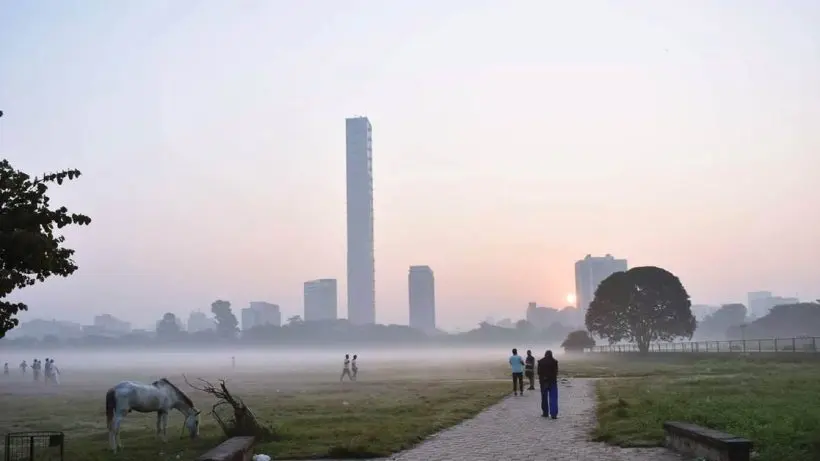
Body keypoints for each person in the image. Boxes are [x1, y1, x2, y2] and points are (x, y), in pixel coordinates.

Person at [537, 350, 559, 419]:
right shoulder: (554, 362)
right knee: (553, 398)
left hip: (544, 382)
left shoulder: (540, 362)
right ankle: (553, 414)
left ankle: (545, 412)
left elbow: (539, 372)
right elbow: (556, 372)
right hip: (552, 382)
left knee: (544, 398)